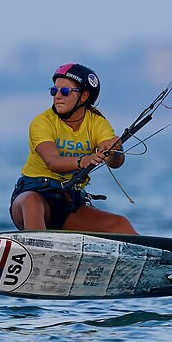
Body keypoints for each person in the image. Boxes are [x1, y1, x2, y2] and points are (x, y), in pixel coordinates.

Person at [9, 63, 138, 234]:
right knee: (31, 202)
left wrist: (114, 151)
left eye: (64, 91)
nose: (57, 97)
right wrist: (83, 160)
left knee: (121, 224)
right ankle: (37, 249)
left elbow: (116, 163)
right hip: (32, 198)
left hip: (69, 202)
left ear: (84, 96)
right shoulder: (42, 122)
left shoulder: (97, 122)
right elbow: (52, 162)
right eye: (54, 91)